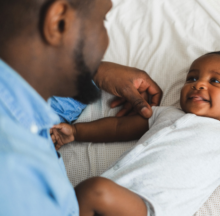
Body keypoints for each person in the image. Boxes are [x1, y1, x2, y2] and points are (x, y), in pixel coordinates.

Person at [51, 52, 220, 216]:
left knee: (92, 190)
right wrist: (75, 131)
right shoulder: (165, 115)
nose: (198, 84)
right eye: (193, 78)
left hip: (152, 208)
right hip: (117, 202)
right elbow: (118, 128)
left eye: (215, 81)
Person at [0, 0, 162, 215]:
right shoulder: (18, 182)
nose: (106, 41)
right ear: (59, 22)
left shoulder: (18, 110)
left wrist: (92, 74)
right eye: (102, 21)